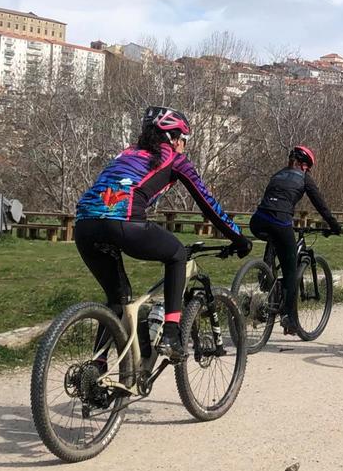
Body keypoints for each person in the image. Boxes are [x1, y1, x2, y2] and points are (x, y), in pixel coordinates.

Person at [74, 106, 252, 360]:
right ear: (173, 137)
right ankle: (170, 334)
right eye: (184, 139)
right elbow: (207, 203)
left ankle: (97, 369)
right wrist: (238, 237)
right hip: (124, 223)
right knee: (178, 255)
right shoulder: (175, 159)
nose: (184, 146)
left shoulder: (125, 153)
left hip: (84, 226)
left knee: (117, 298)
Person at [250, 145, 342, 335]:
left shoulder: (277, 174)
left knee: (275, 242)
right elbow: (321, 205)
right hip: (280, 221)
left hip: (257, 221)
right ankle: (289, 319)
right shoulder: (304, 178)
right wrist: (334, 226)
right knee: (291, 271)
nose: (307, 170)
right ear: (304, 165)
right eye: (307, 167)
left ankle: (267, 279)